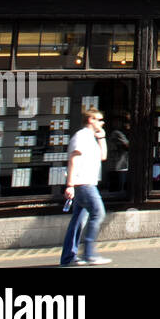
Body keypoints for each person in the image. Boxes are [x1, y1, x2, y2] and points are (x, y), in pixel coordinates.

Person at [60, 107, 110, 266]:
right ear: (91, 120)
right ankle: (89, 254)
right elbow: (73, 160)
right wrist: (70, 185)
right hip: (84, 183)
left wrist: (102, 138)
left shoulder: (91, 138)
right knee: (98, 213)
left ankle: (68, 258)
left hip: (86, 182)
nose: (101, 122)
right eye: (99, 119)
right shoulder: (81, 136)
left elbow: (103, 156)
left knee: (77, 221)